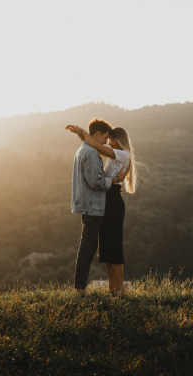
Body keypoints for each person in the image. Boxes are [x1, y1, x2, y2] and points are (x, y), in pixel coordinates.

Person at [66, 123, 137, 296]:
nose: (108, 143)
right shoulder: (114, 155)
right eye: (108, 139)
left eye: (111, 140)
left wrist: (82, 131)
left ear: (119, 141)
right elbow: (93, 145)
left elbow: (96, 145)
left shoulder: (121, 154)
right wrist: (81, 135)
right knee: (106, 246)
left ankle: (119, 288)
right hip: (107, 199)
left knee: (114, 245)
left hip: (112, 200)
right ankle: (112, 288)